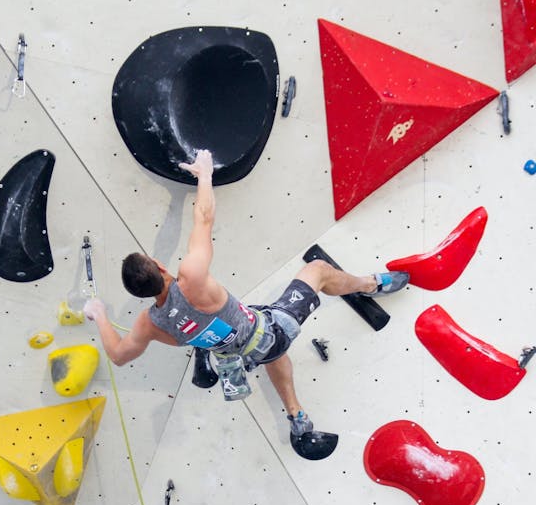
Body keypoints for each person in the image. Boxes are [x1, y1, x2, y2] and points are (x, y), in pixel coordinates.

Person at [83, 149, 408, 441]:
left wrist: (99, 314)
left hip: (234, 351)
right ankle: (369, 285)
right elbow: (204, 217)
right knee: (318, 271)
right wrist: (205, 174)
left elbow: (119, 355)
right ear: (159, 266)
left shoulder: (149, 323)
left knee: (265, 351)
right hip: (269, 330)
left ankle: (296, 416)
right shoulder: (192, 277)